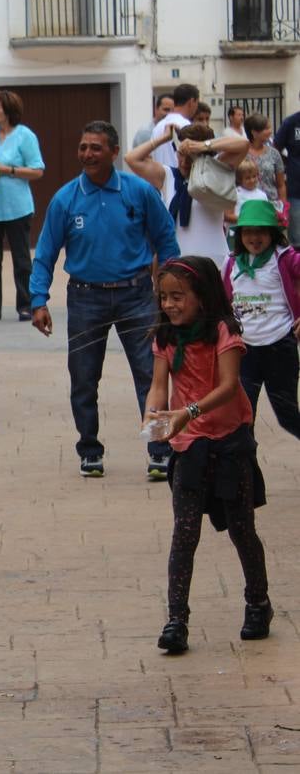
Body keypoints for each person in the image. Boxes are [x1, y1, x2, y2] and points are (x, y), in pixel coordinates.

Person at [30, 121, 180, 479]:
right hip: (85, 299)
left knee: (151, 375)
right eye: (83, 147)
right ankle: (89, 450)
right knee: (83, 378)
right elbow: (46, 252)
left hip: (138, 296)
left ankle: (160, 451)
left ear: (114, 152)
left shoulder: (140, 192)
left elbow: (167, 242)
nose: (87, 154)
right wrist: (38, 299)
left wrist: (172, 293)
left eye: (96, 148)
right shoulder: (65, 198)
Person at [145, 256, 271, 655]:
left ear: (202, 296)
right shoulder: (165, 336)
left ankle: (257, 604)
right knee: (184, 535)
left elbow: (231, 386)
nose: (169, 305)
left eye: (178, 297)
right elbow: (158, 384)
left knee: (241, 529)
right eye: (164, 297)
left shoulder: (223, 331)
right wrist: (155, 415)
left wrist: (188, 412)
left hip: (230, 442)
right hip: (190, 447)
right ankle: (176, 620)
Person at [222, 200, 300, 441]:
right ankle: (245, 473)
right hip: (244, 351)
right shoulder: (232, 263)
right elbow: (223, 302)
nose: (255, 237)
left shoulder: (285, 258)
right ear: (240, 234)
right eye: (249, 231)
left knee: (287, 415)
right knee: (243, 418)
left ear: (273, 234)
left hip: (280, 347)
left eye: (261, 231)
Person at [127, 122, 249, 268]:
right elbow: (131, 158)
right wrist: (163, 138)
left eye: (191, 156)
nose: (184, 162)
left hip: (214, 261)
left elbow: (243, 144)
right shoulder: (167, 175)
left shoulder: (218, 169)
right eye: (180, 154)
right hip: (178, 262)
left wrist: (202, 145)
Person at [0, 90, 45, 322]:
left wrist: (8, 170)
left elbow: (38, 170)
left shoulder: (25, 135)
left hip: (18, 207)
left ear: (8, 110)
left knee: (21, 259)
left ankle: (25, 304)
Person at [274, 91, 300, 245]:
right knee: (297, 237)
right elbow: (276, 147)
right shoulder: (291, 123)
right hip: (296, 189)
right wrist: (289, 163)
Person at [243, 113, 286, 204]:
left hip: (270, 204)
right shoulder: (241, 153)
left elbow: (281, 185)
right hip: (247, 204)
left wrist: (283, 207)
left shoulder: (274, 153)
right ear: (254, 132)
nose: (270, 131)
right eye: (266, 129)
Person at [229, 159, 269, 224]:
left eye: (254, 176)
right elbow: (228, 216)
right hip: (238, 230)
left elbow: (265, 214)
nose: (252, 180)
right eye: (247, 178)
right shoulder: (234, 193)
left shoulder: (262, 195)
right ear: (239, 179)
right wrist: (249, 220)